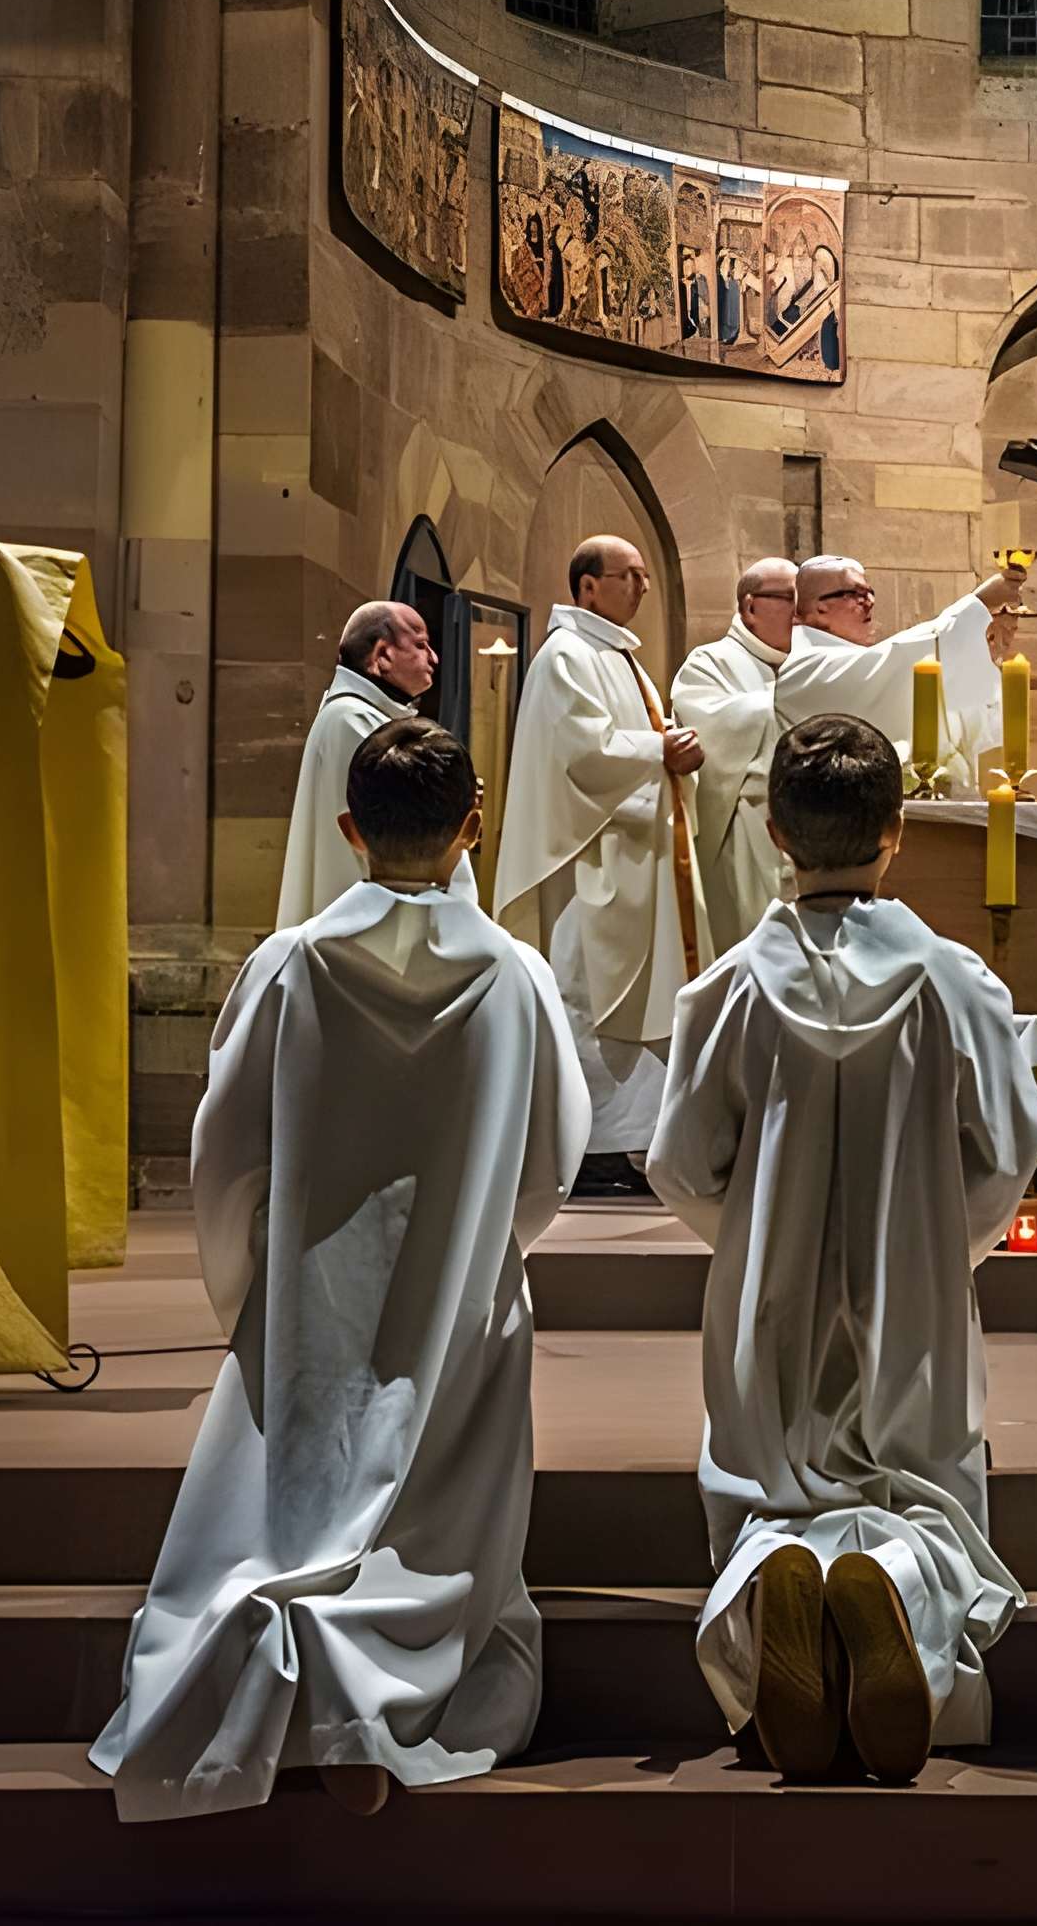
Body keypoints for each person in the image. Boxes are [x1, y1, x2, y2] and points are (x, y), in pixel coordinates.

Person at [94, 718, 583, 1822]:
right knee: (433, 1519)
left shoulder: (290, 961)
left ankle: (293, 1666)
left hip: (312, 1291)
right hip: (456, 1294)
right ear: (474, 825)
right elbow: (552, 1153)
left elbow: (224, 1151)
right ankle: (378, 1691)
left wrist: (248, 1284)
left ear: (348, 829)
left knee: (292, 1509)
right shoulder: (514, 974)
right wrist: (487, 1253)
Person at [646, 713, 1037, 1785]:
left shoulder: (727, 987)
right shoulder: (954, 980)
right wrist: (936, 1241)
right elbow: (1008, 1146)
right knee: (919, 1483)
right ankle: (903, 1584)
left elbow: (683, 1161)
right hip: (910, 1287)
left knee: (770, 1483)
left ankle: (781, 1570)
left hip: (767, 1291)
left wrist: (754, 1234)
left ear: (775, 829)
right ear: (899, 830)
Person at [497, 534, 708, 1199]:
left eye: (646, 576)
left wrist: (673, 751)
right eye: (630, 576)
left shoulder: (619, 657)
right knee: (592, 994)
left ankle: (633, 1141)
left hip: (636, 858)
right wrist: (660, 750)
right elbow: (581, 753)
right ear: (588, 586)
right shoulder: (566, 656)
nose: (643, 587)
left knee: (641, 999)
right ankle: (593, 1146)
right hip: (593, 863)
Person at [276, 600, 469, 926]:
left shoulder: (358, 716)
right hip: (364, 921)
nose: (433, 658)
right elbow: (414, 832)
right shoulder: (354, 723)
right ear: (382, 656)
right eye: (421, 645)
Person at [769, 553, 1027, 795]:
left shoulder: (860, 660)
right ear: (818, 606)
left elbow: (960, 718)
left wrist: (983, 653)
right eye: (854, 594)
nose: (868, 602)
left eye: (870, 592)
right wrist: (978, 605)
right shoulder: (802, 668)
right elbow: (888, 666)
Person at [670, 557, 799, 943]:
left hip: (806, 838)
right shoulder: (709, 662)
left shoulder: (808, 665)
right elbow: (710, 736)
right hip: (742, 836)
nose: (802, 610)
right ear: (750, 606)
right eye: (790, 598)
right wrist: (796, 702)